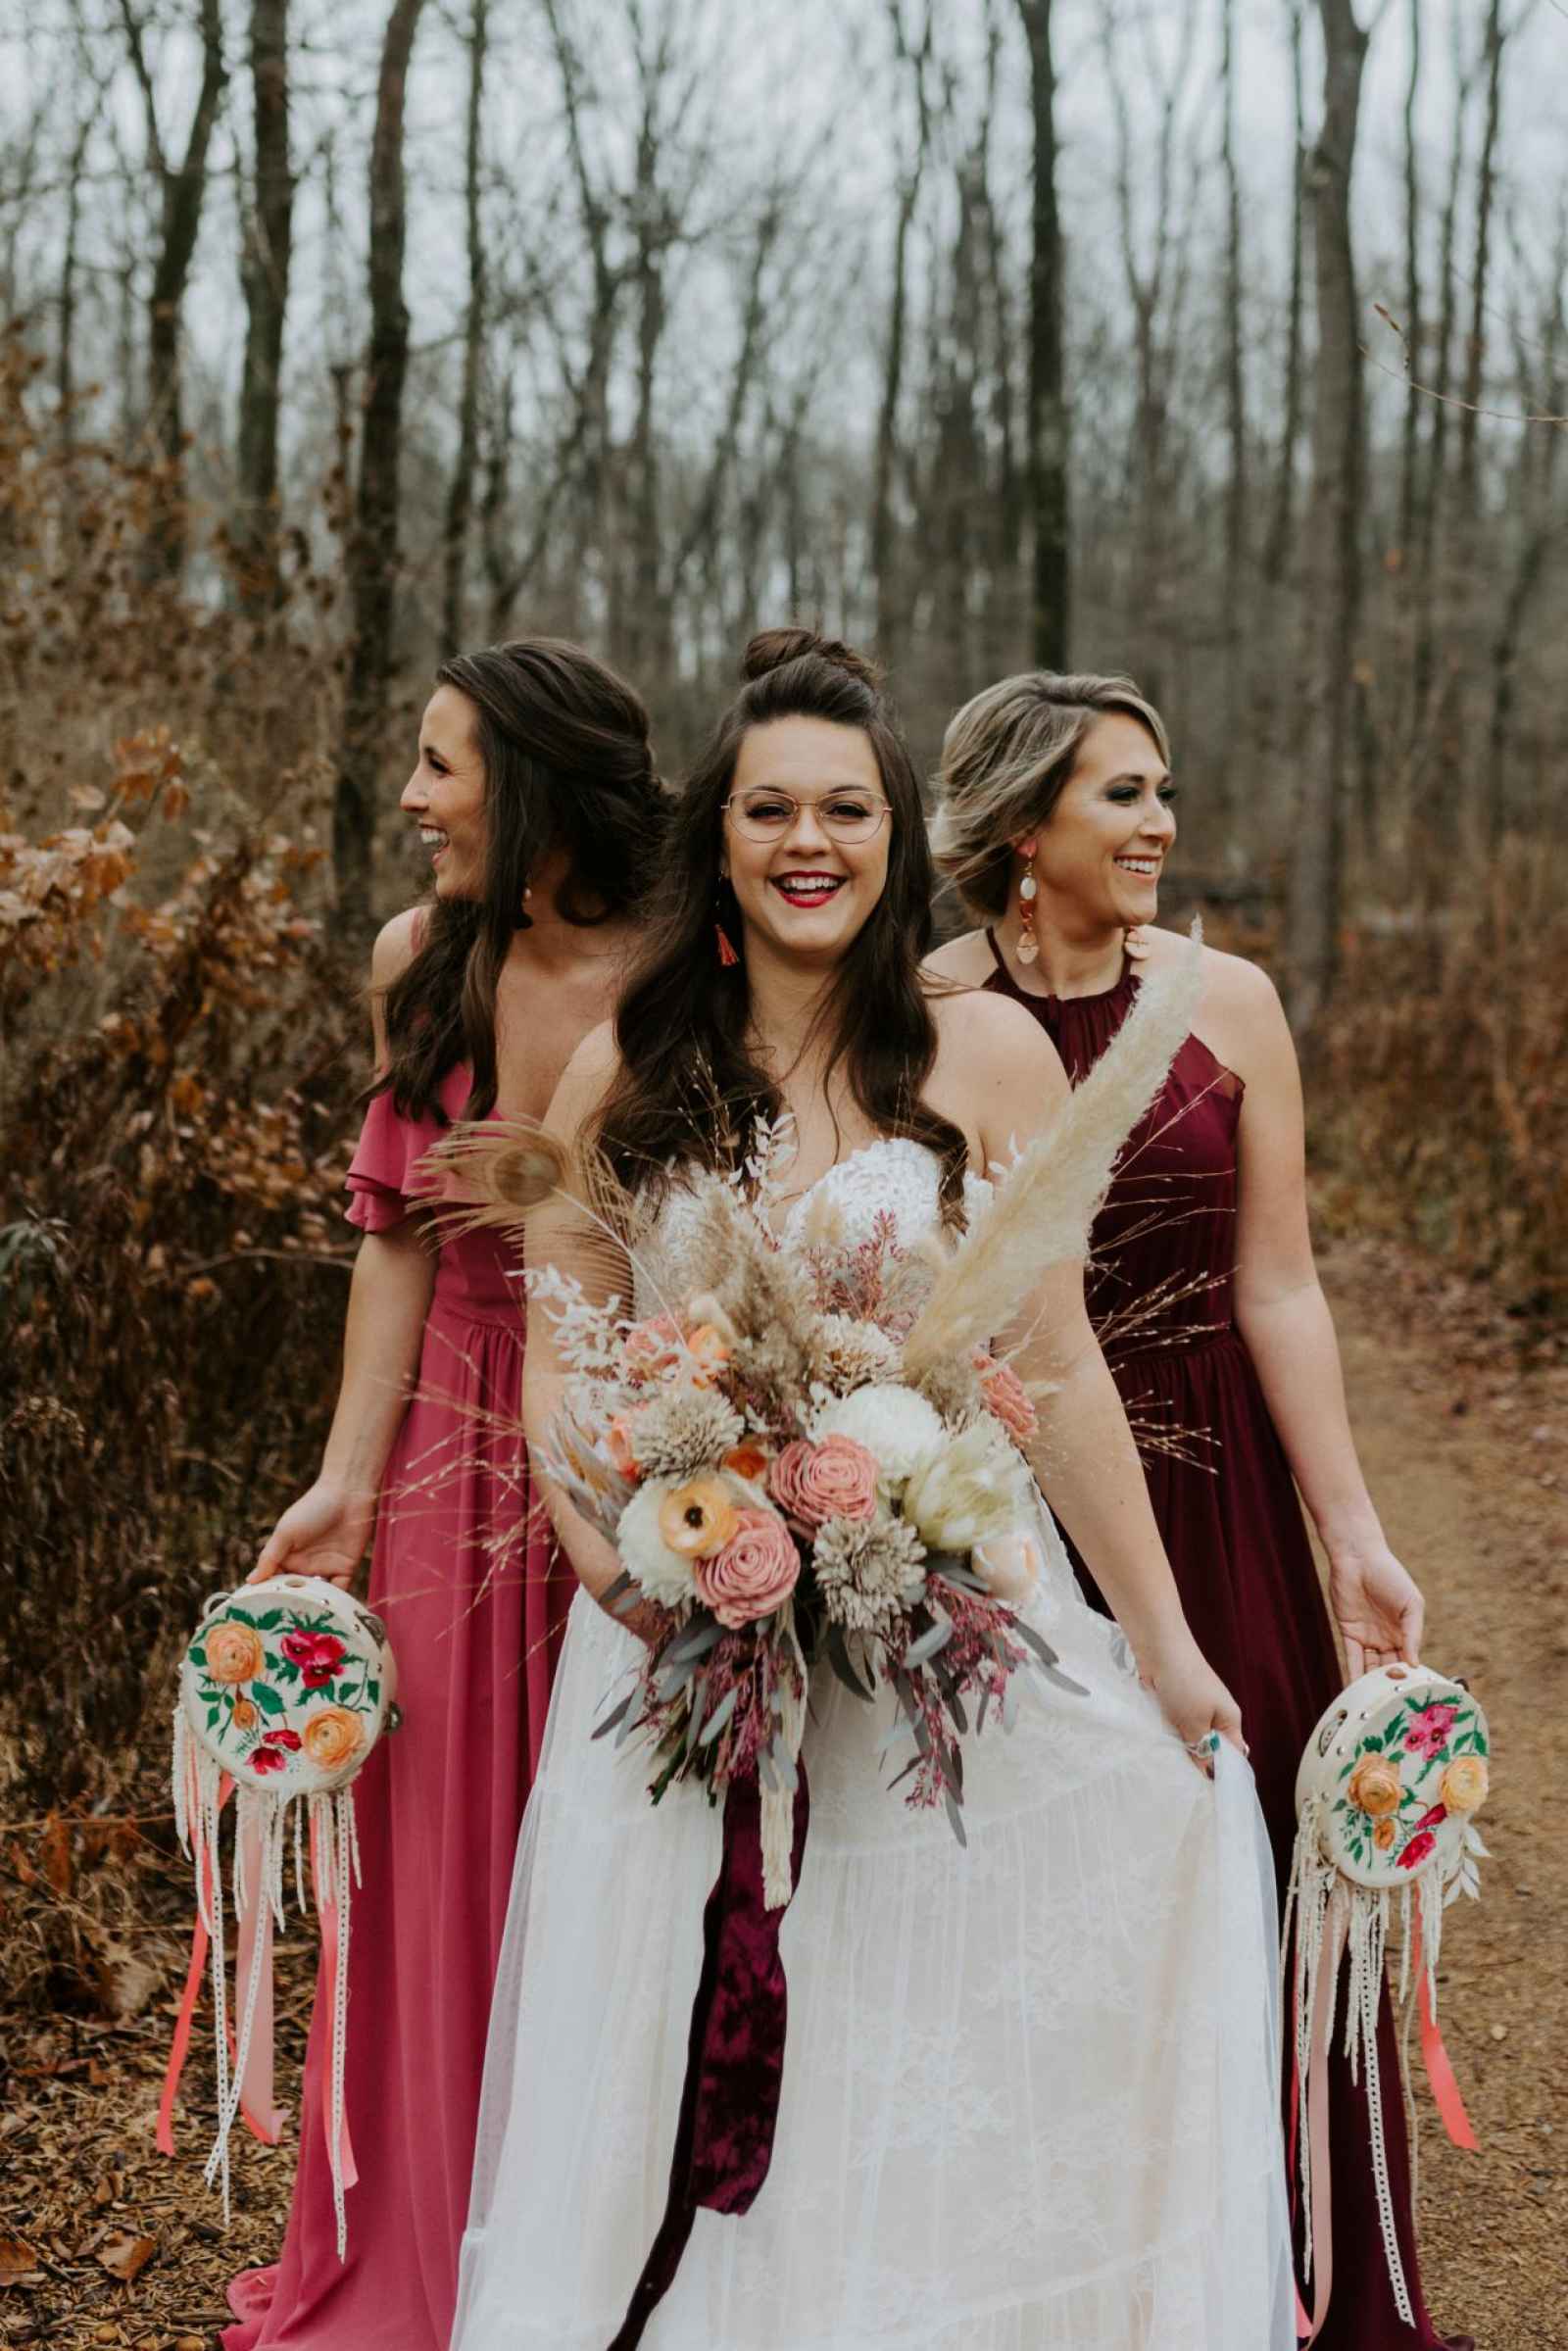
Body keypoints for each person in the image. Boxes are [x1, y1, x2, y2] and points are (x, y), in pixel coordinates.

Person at [451, 630, 1295, 2349]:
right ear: (720, 835)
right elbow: (560, 1359)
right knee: (685, 2028)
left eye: (845, 808)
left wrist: (1165, 1641)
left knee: (921, 2031)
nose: (808, 841)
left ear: (898, 837)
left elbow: (1058, 1364)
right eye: (770, 808)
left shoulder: (987, 1058)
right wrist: (617, 1564)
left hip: (930, 1640)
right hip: (682, 1644)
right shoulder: (625, 1066)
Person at [927, 668, 1468, 2351]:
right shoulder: (926, 1006)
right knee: (1042, 1902)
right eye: (1125, 793)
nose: (1163, 822)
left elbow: (1279, 1286)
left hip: (1217, 1491)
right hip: (1008, 1501)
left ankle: (1303, 2285)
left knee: (1261, 1862)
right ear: (1025, 829)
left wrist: (1352, 1533)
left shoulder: (1228, 1002)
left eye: (1163, 789)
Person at [224, 639, 665, 2351]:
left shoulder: (690, 960)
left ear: (536, 785)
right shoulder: (420, 958)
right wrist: (347, 1482)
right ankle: (423, 2245)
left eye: (441, 765)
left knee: (631, 1840)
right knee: (435, 1848)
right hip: (452, 1446)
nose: (412, 798)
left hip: (647, 1438)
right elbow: (394, 1242)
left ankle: (616, 2255)